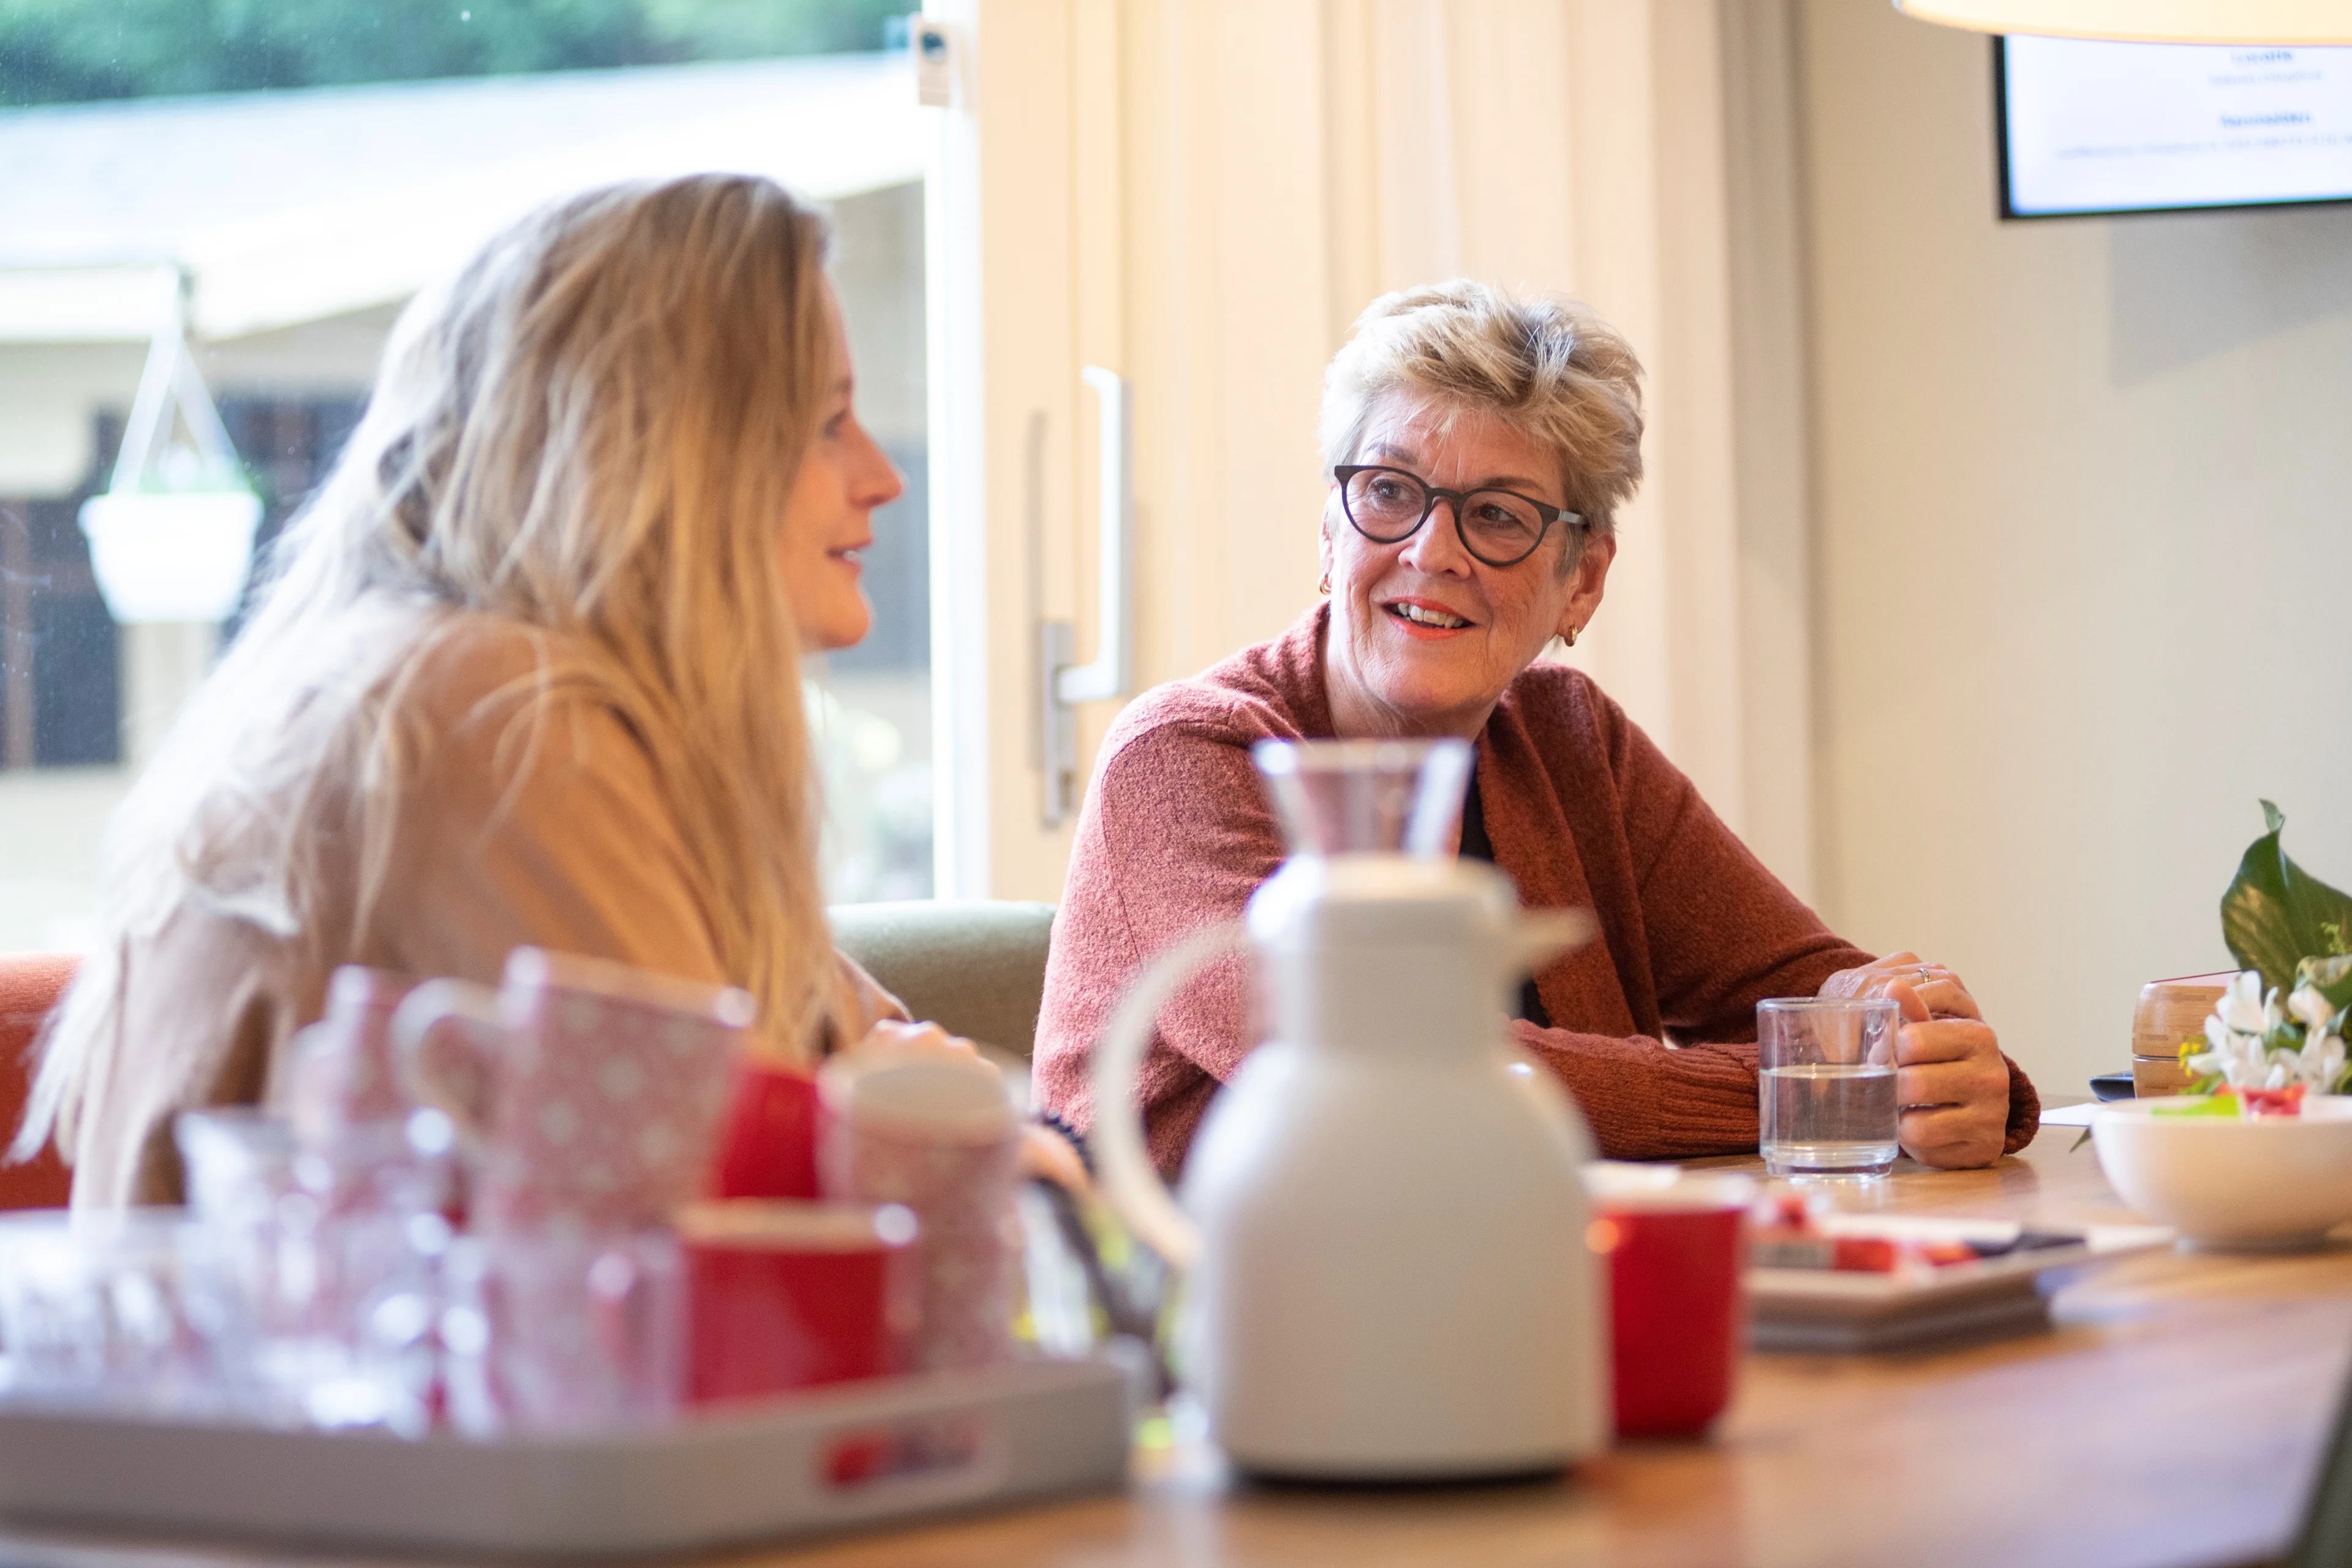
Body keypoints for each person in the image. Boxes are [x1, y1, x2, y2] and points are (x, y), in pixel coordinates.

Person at [15, 175, 918, 1206]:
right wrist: (890, 1121)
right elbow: (722, 1210)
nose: (883, 476)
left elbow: (868, 1062)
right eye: (827, 423)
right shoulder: (481, 718)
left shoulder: (505, 701)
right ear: (655, 446)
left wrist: (885, 1107)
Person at [1033, 281, 2038, 1178]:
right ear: (1331, 530)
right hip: (1209, 1311)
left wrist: (1944, 1074)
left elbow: (1830, 1003)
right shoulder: (1185, 755)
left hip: (1519, 1285)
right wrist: (1814, 1085)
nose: (1432, 550)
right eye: (1389, 492)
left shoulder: (1571, 742)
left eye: (1500, 516)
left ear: (1582, 580)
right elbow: (1373, 1072)